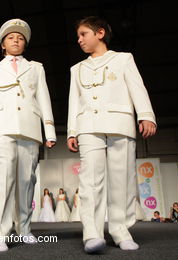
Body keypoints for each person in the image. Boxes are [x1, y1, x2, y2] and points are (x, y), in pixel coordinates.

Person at [0, 18, 56, 252]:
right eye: (11, 38)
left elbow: (44, 99)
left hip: (30, 128)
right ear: (3, 44)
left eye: (20, 38)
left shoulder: (36, 67)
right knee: (3, 179)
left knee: (27, 181)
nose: (16, 40)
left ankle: (24, 229)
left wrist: (50, 130)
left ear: (25, 44)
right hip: (3, 126)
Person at [67, 16, 157, 253]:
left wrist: (146, 114)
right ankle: (92, 233)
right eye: (77, 36)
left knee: (122, 178)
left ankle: (120, 230)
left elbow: (137, 87)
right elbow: (73, 103)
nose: (79, 40)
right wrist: (72, 131)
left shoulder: (123, 59)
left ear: (100, 33)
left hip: (120, 122)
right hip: (88, 125)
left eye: (83, 34)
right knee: (90, 180)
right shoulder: (76, 69)